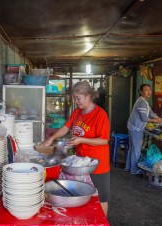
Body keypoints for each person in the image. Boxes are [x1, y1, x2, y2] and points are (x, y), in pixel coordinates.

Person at [42, 81, 110, 216]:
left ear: (88, 96)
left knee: (101, 197)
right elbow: (66, 127)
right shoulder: (77, 112)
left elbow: (104, 140)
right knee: (83, 194)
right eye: (75, 98)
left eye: (78, 98)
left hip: (97, 163)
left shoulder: (100, 115)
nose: (76, 101)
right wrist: (51, 139)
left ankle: (102, 222)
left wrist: (81, 140)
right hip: (80, 162)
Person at [126, 84, 162, 174]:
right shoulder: (141, 102)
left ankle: (128, 167)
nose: (148, 92)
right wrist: (155, 120)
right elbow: (144, 118)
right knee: (136, 150)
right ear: (141, 92)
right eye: (146, 90)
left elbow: (150, 113)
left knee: (132, 148)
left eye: (149, 90)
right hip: (135, 128)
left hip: (133, 127)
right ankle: (134, 170)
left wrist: (159, 118)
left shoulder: (144, 101)